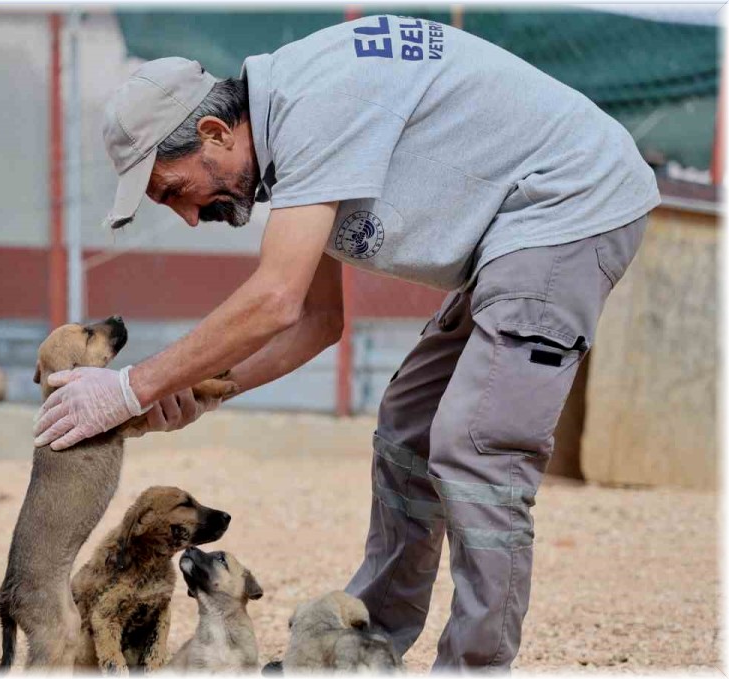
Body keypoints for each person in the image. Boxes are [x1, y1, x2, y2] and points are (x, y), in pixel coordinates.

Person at [33, 15, 659, 671]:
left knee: (478, 444)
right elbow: (314, 318)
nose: (191, 215)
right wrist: (199, 389)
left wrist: (133, 386)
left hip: (570, 208)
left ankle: (476, 664)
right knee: (407, 427)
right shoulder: (290, 130)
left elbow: (275, 298)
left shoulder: (312, 105)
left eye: (176, 190)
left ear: (215, 132)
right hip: (518, 233)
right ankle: (362, 645)